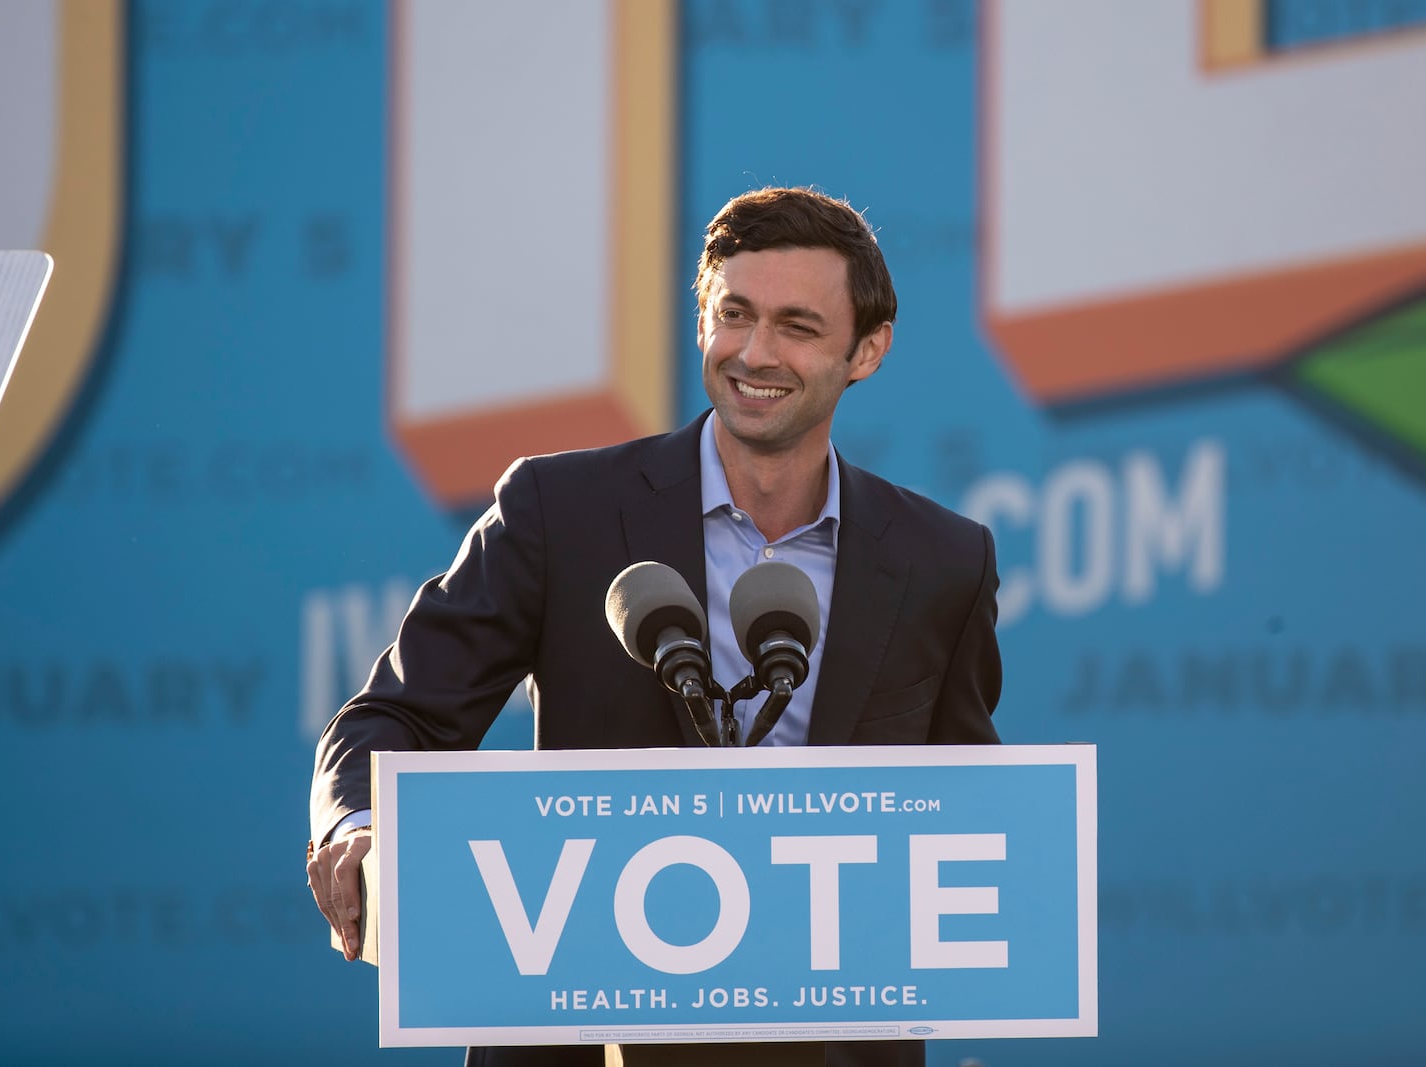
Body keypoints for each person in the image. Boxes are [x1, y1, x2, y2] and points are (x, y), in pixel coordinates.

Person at [307, 187, 1002, 1067]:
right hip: (582, 1039)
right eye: (734, 314)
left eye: (797, 325)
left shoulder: (946, 559)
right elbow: (395, 716)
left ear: (867, 350)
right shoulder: (559, 511)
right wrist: (356, 823)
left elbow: (969, 803)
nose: (755, 352)